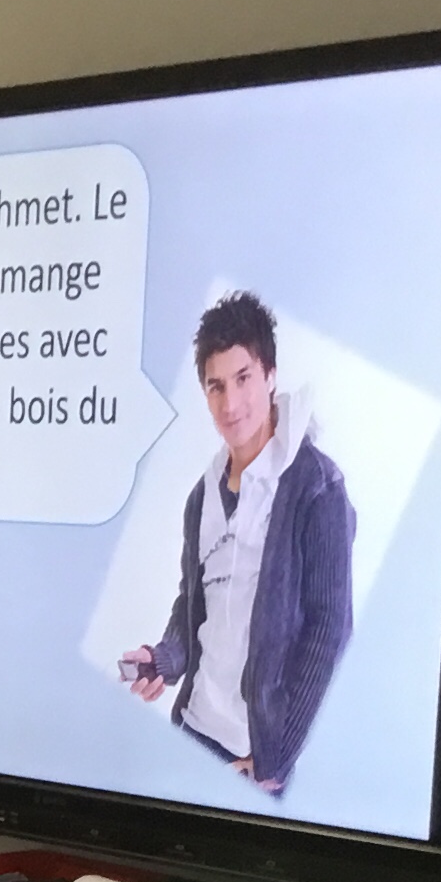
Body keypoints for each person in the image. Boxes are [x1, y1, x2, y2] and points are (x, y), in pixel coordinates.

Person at [119, 290, 358, 794]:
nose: (230, 404)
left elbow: (329, 628)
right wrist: (163, 660)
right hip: (192, 731)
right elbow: (194, 603)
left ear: (270, 375)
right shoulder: (200, 497)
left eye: (243, 378)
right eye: (216, 386)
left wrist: (275, 757)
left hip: (255, 757)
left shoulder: (317, 487)